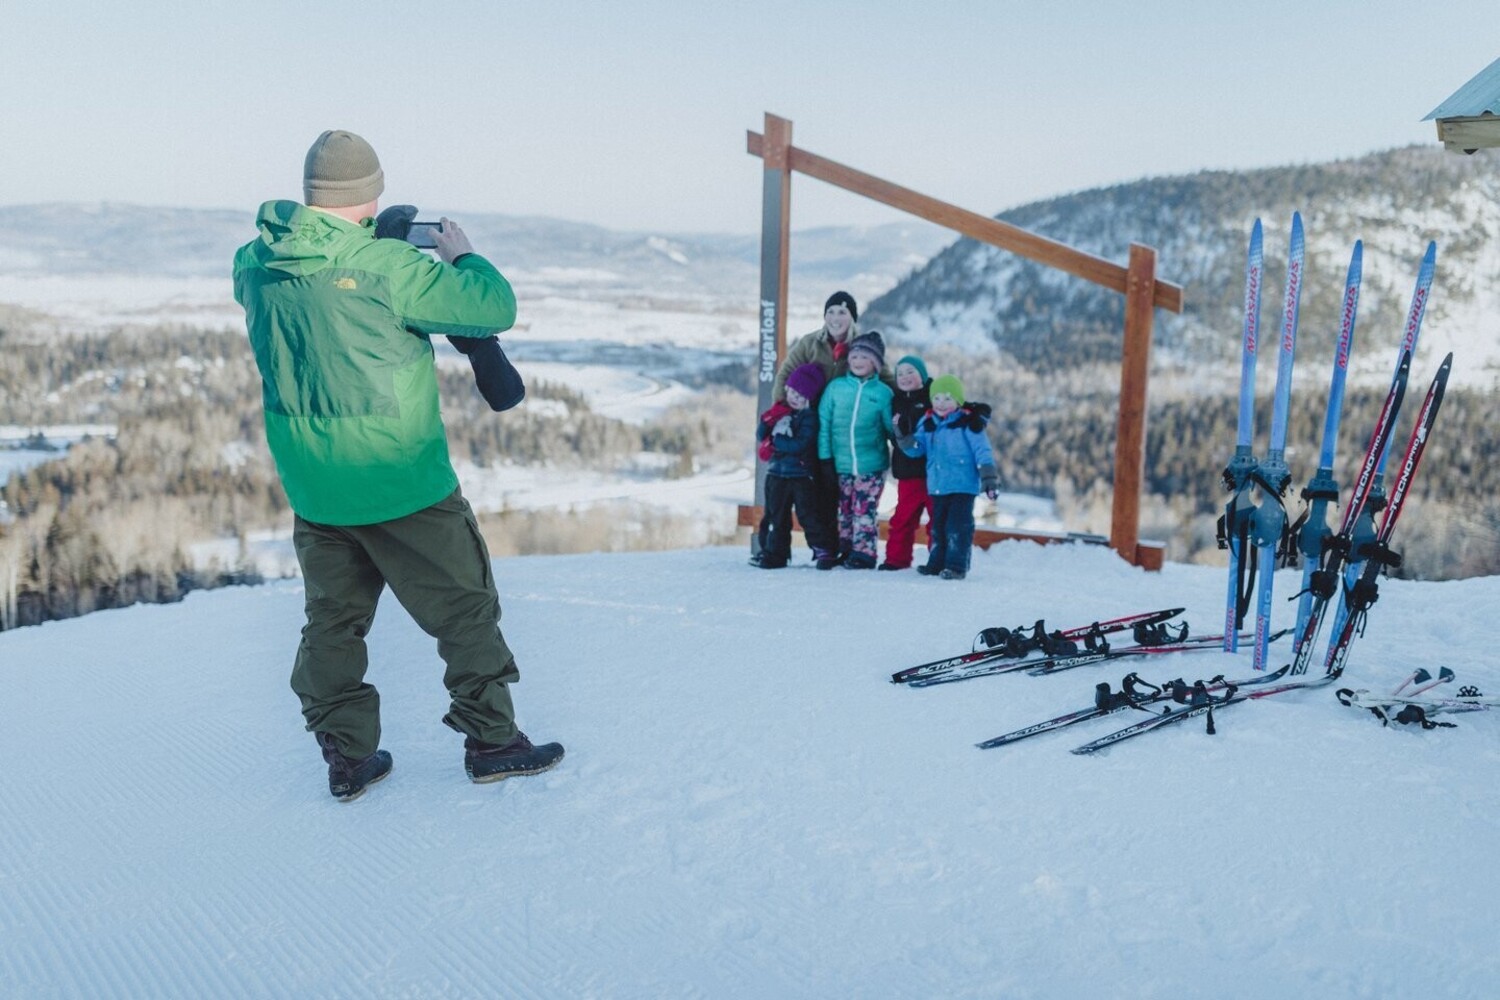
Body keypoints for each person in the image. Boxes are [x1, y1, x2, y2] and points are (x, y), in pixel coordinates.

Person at [232, 129, 563, 801]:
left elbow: (322, 290)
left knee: (333, 620)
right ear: (369, 194)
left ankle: (346, 757)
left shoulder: (253, 264)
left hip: (315, 485)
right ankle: (494, 742)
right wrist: (464, 257)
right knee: (466, 610)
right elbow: (493, 306)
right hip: (400, 479)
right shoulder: (387, 267)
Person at [772, 292, 893, 557]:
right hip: (811, 426)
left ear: (852, 317)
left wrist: (910, 405)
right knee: (815, 490)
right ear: (824, 316)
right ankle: (825, 547)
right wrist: (783, 412)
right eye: (831, 312)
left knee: (839, 493)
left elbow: (886, 379)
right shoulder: (809, 344)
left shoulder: (861, 346)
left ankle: (844, 548)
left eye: (842, 312)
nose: (836, 318)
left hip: (845, 432)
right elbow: (784, 375)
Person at [896, 374, 999, 581]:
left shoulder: (968, 423)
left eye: (948, 399)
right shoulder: (928, 422)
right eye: (937, 398)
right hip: (938, 485)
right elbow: (917, 449)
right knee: (938, 526)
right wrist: (903, 436)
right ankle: (936, 562)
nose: (941, 404)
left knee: (957, 527)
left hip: (963, 485)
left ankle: (956, 565)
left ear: (958, 401)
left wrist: (988, 477)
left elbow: (982, 451)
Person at [817, 331, 896, 570]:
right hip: (841, 463)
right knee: (845, 510)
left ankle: (865, 554)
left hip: (871, 464)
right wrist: (825, 459)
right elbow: (825, 425)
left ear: (875, 363)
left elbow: (890, 429)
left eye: (864, 356)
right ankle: (846, 549)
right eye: (854, 355)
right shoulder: (836, 388)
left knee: (864, 509)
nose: (858, 361)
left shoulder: (883, 394)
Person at [752, 364, 836, 568]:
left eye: (801, 396)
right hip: (777, 473)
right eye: (792, 392)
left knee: (807, 514)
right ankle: (774, 553)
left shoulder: (809, 418)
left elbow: (800, 444)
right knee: (775, 515)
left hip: (800, 474)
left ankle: (822, 550)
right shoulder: (779, 412)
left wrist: (777, 441)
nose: (795, 398)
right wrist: (767, 422)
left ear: (808, 399)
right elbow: (761, 435)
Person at [882, 354, 933, 571]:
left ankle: (939, 559)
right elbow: (890, 432)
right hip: (907, 472)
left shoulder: (933, 395)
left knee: (938, 520)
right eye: (900, 373)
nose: (905, 377)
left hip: (934, 472)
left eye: (910, 372)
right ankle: (896, 559)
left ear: (922, 375)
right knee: (903, 519)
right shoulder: (895, 400)